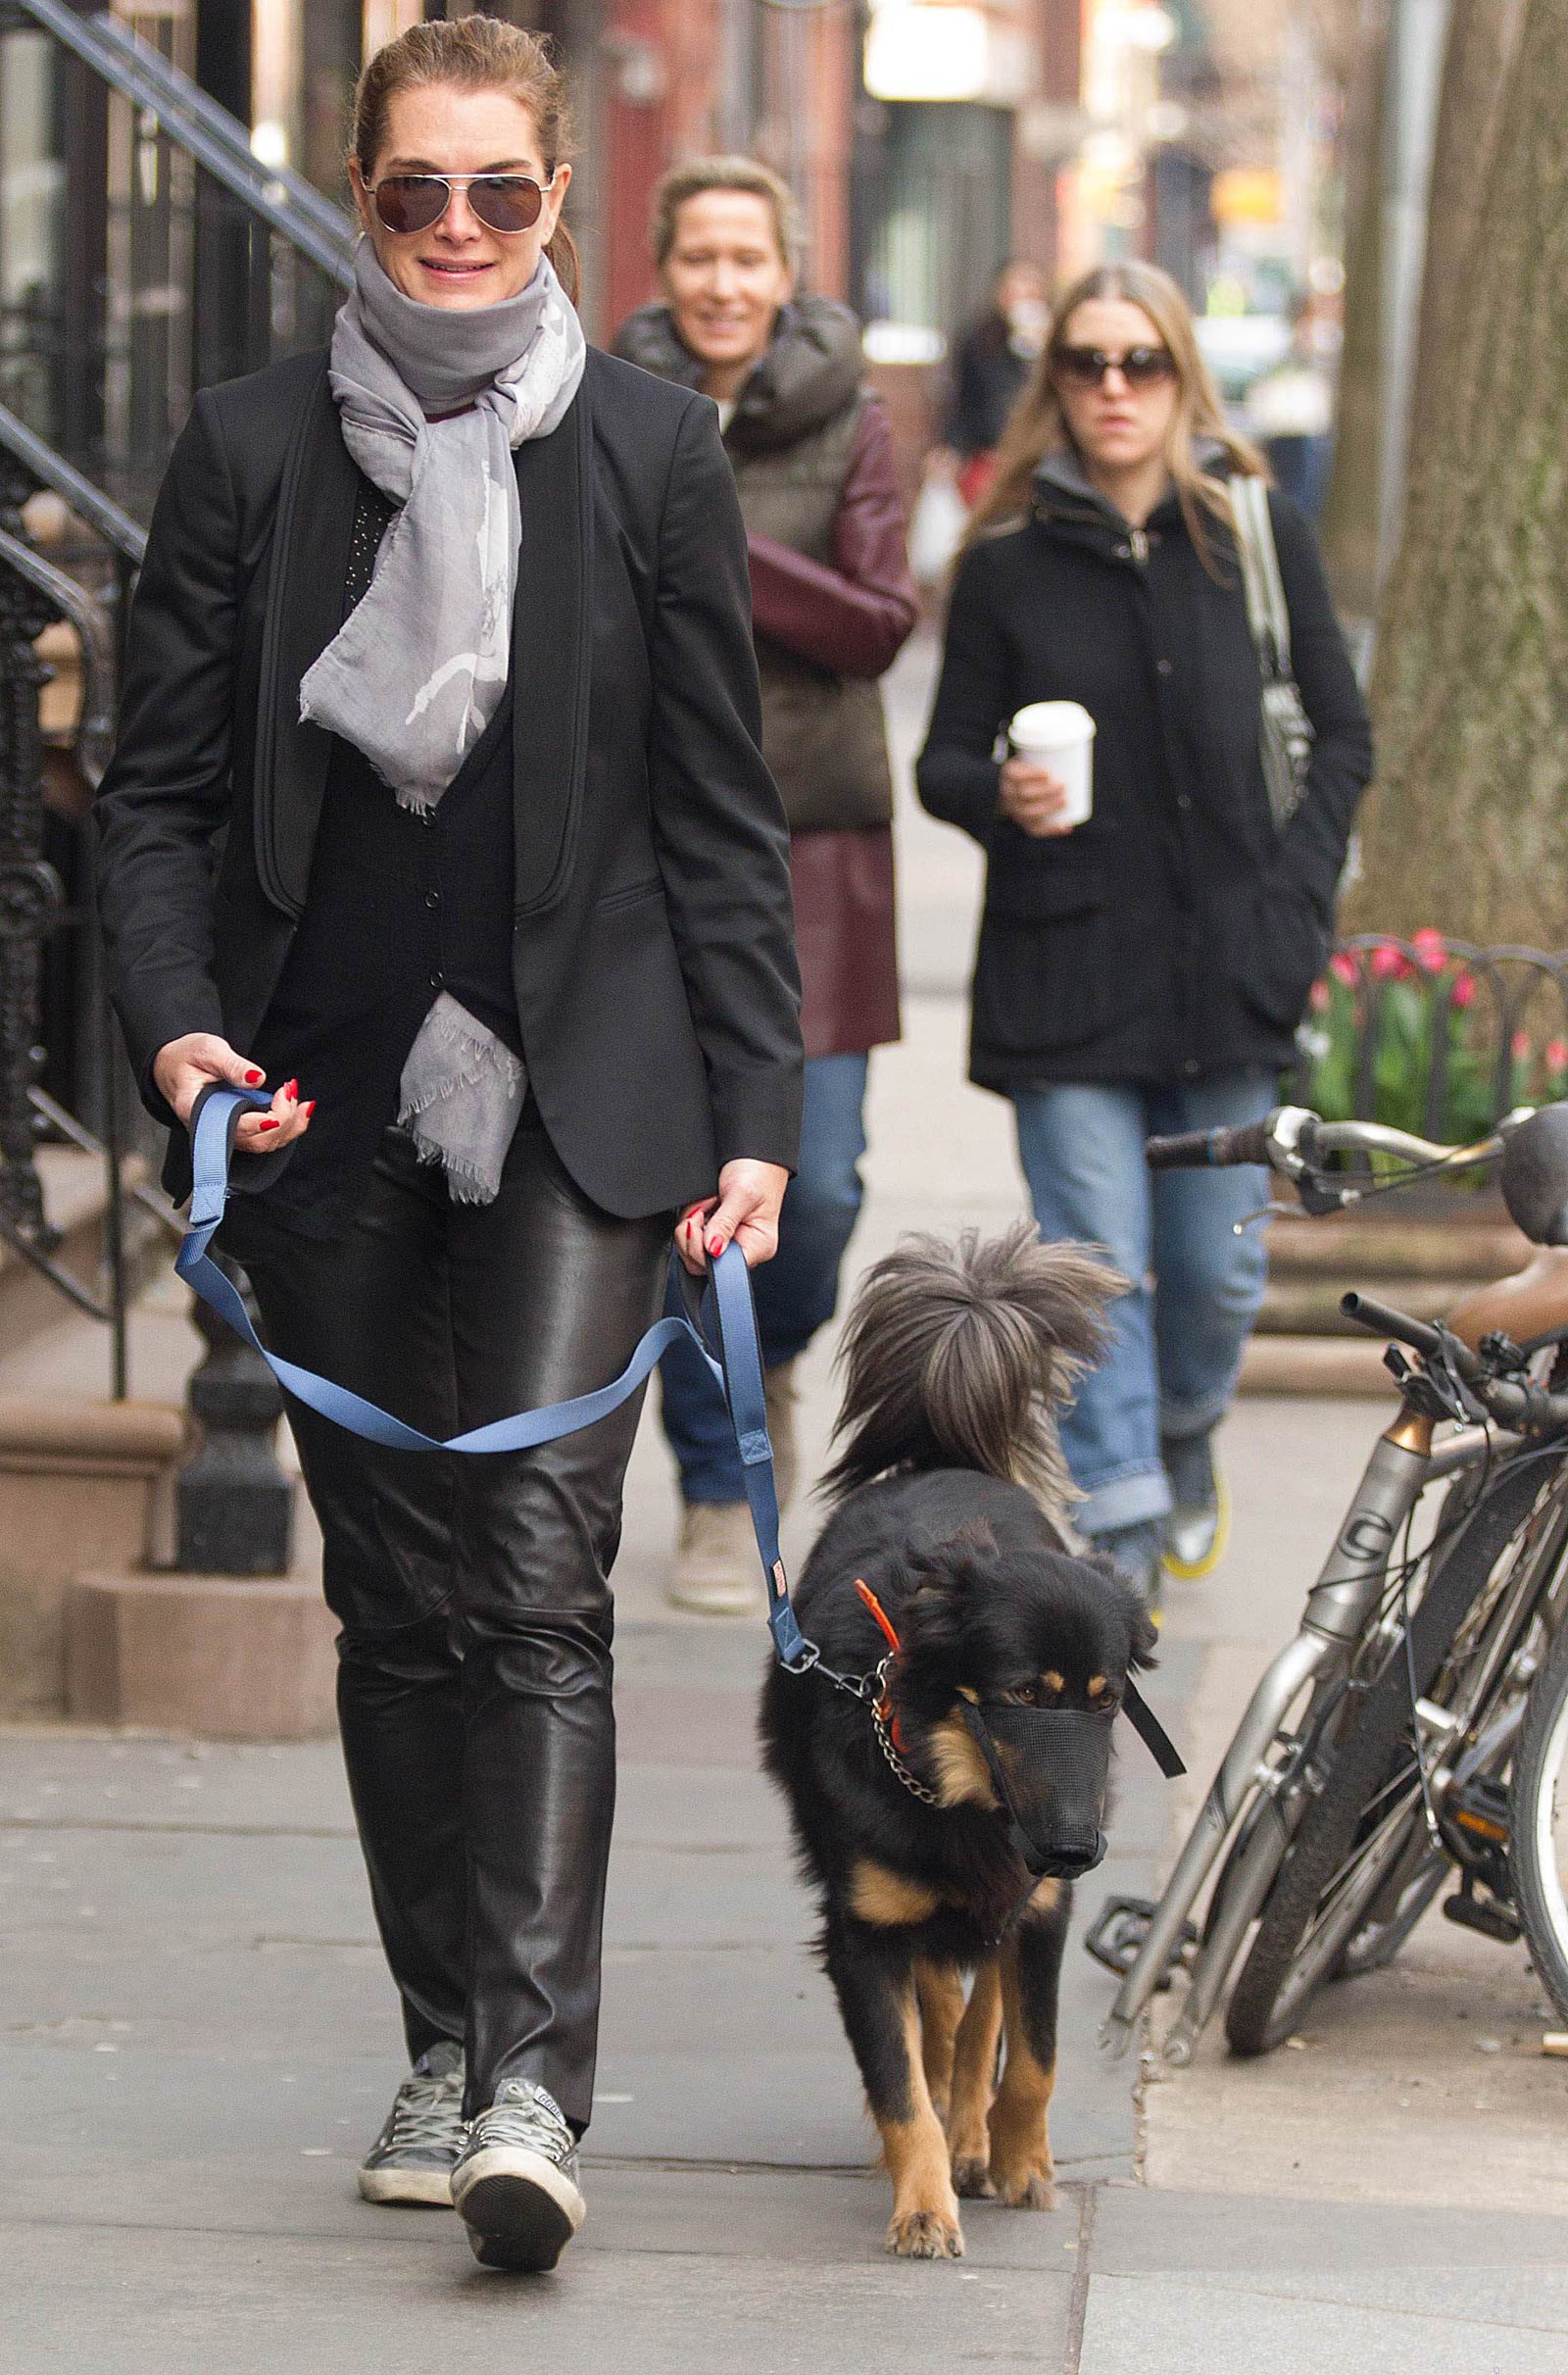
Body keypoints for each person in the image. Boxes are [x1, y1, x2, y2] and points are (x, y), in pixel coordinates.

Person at [93, 20, 801, 2274]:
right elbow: (163, 799)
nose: (464, 231)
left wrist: (755, 1115)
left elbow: (717, 821)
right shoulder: (241, 453)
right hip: (314, 1099)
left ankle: (530, 2081)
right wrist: (183, 1030)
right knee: (395, 1606)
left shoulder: (652, 457)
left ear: (554, 206)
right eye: (424, 195)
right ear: (360, 193)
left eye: (503, 193)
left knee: (531, 1571)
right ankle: (440, 2031)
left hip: (587, 1104)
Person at [916, 261, 1371, 1607]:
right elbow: (942, 761)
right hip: (1067, 974)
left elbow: (1342, 736)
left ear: (1183, 377)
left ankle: (1179, 1445)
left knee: (1220, 1282)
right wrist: (1000, 789)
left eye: (1142, 363)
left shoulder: (1258, 533)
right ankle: (1115, 1547)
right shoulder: (1003, 565)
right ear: (1053, 382)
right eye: (1087, 363)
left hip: (1232, 967)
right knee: (1096, 1273)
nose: (1115, 388)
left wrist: (1293, 904)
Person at [613, 158, 917, 1612]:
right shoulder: (603, 403)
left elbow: (874, 625)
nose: (724, 283)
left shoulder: (853, 418)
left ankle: (776, 1352)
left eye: (750, 256)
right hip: (656, 843)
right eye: (699, 256)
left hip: (816, 852)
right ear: (665, 269)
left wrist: (719, 549)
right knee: (694, 1186)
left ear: (786, 270)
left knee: (830, 1179)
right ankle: (711, 1481)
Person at [938, 258, 1050, 508]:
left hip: (1037, 460)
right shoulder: (980, 341)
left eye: (1030, 292)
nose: (1021, 300)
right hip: (988, 456)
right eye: (1014, 291)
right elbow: (962, 400)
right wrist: (951, 446)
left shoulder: (1053, 344)